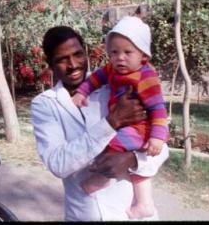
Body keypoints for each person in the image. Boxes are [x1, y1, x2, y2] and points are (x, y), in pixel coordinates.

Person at [30, 25, 169, 221]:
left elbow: (160, 144)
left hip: (130, 214)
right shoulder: (45, 104)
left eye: (78, 54)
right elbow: (58, 164)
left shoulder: (116, 83)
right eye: (62, 59)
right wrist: (112, 122)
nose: (73, 65)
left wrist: (132, 159)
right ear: (50, 63)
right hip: (84, 215)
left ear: (86, 53)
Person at [71, 16, 168, 219]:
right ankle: (144, 203)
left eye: (127, 52)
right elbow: (95, 79)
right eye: (114, 52)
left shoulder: (145, 77)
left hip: (139, 127)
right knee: (132, 163)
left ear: (143, 54)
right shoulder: (112, 70)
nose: (120, 58)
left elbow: (158, 109)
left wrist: (158, 137)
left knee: (111, 144)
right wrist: (81, 93)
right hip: (124, 123)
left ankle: (101, 180)